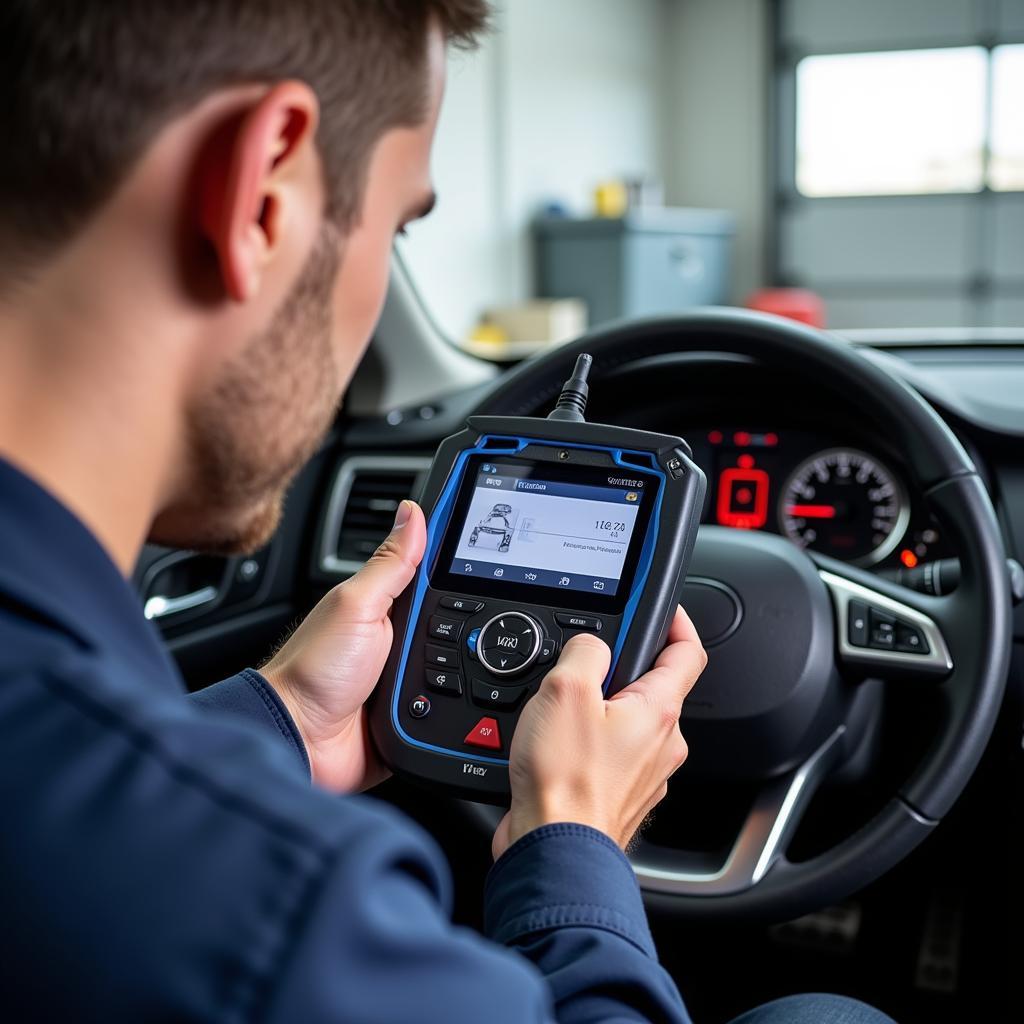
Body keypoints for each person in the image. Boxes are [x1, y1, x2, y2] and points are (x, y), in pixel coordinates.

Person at [0, 2, 895, 1021]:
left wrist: (282, 720)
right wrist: (572, 836)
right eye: (398, 225)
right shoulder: (285, 912)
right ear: (261, 189)